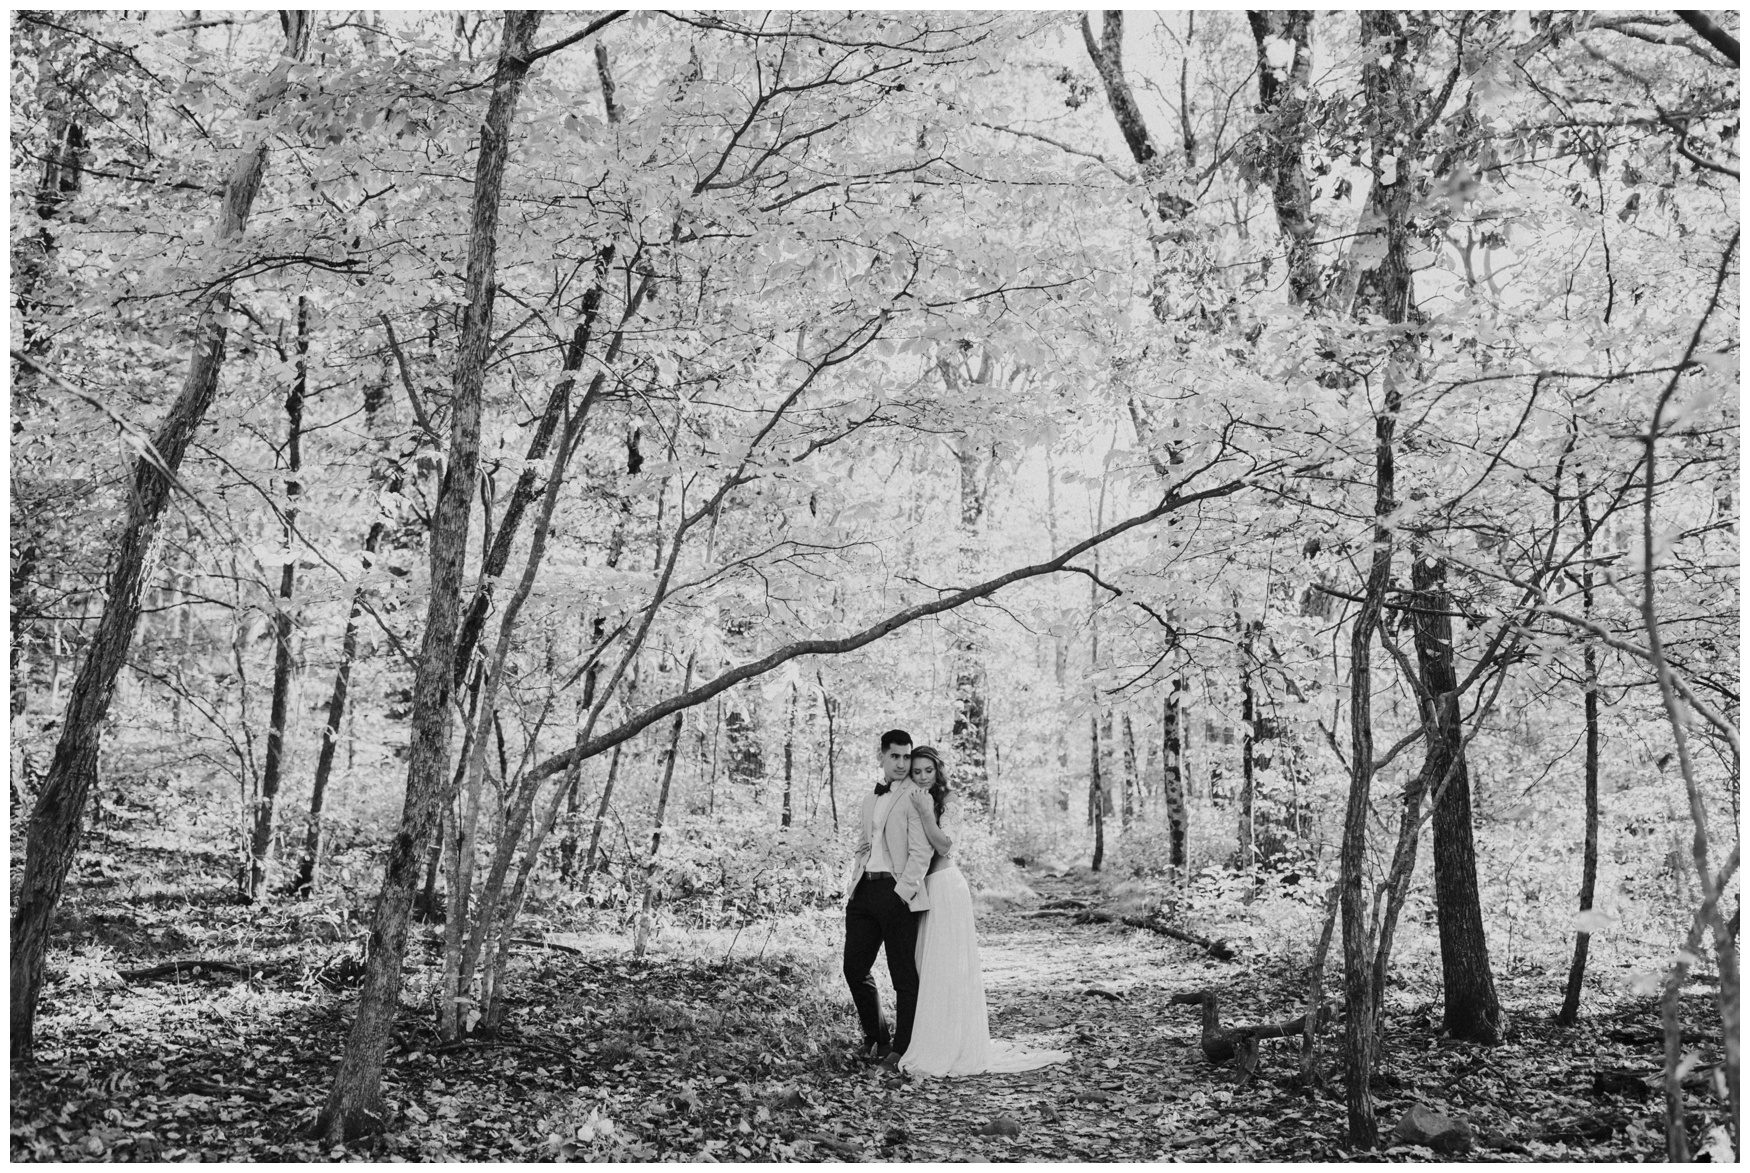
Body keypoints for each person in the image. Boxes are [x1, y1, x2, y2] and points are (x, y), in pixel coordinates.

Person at [898, 746, 1068, 1078]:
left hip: (947, 886)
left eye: (927, 771)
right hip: (923, 889)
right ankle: (934, 1036)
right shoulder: (911, 798)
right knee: (929, 968)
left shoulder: (949, 801)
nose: (921, 777)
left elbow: (945, 845)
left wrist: (925, 813)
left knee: (948, 967)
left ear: (937, 771)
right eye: (916, 772)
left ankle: (954, 1046)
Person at [842, 728, 934, 1068]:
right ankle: (877, 1038)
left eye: (907, 756)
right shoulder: (870, 798)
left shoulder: (916, 795)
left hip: (896, 894)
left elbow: (920, 852)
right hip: (864, 892)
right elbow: (863, 844)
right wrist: (854, 881)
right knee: (854, 968)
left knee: (903, 975)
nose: (902, 763)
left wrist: (902, 893)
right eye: (895, 756)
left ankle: (901, 1048)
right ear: (881, 756)